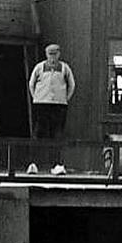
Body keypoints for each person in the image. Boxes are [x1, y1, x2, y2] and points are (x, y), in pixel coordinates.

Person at [27, 43, 76, 174]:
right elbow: (31, 84)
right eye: (50, 54)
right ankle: (33, 163)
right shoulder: (39, 67)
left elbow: (71, 85)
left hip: (59, 105)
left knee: (57, 133)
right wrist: (37, 98)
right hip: (41, 104)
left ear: (59, 54)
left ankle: (57, 164)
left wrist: (65, 99)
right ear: (46, 54)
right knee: (38, 132)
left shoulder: (65, 68)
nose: (52, 57)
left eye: (55, 54)